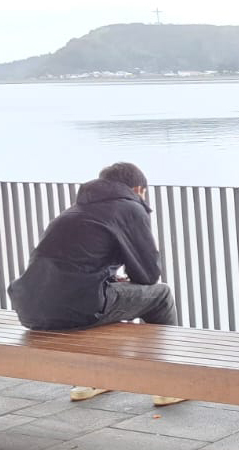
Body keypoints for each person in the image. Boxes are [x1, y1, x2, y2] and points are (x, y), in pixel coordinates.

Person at [7, 162, 183, 405]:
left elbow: (67, 266)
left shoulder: (75, 211)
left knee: (105, 297)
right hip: (76, 308)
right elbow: (149, 275)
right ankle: (169, 383)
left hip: (30, 309)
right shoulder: (131, 207)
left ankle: (92, 379)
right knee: (160, 295)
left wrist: (108, 278)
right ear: (138, 189)